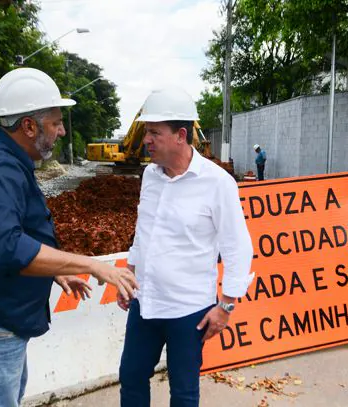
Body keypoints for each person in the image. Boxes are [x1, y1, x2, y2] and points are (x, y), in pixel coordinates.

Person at [0, 67, 138, 407]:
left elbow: (8, 237)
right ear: (28, 126)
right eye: (55, 122)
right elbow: (7, 247)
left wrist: (56, 269)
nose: (61, 130)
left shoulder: (6, 161)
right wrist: (92, 265)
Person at [117, 87, 254, 407]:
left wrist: (226, 306)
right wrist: (129, 276)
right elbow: (143, 232)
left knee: (183, 392)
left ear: (181, 135)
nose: (146, 140)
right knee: (131, 376)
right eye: (145, 132)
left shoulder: (217, 183)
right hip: (145, 302)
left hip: (188, 310)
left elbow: (237, 248)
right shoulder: (149, 176)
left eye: (154, 132)